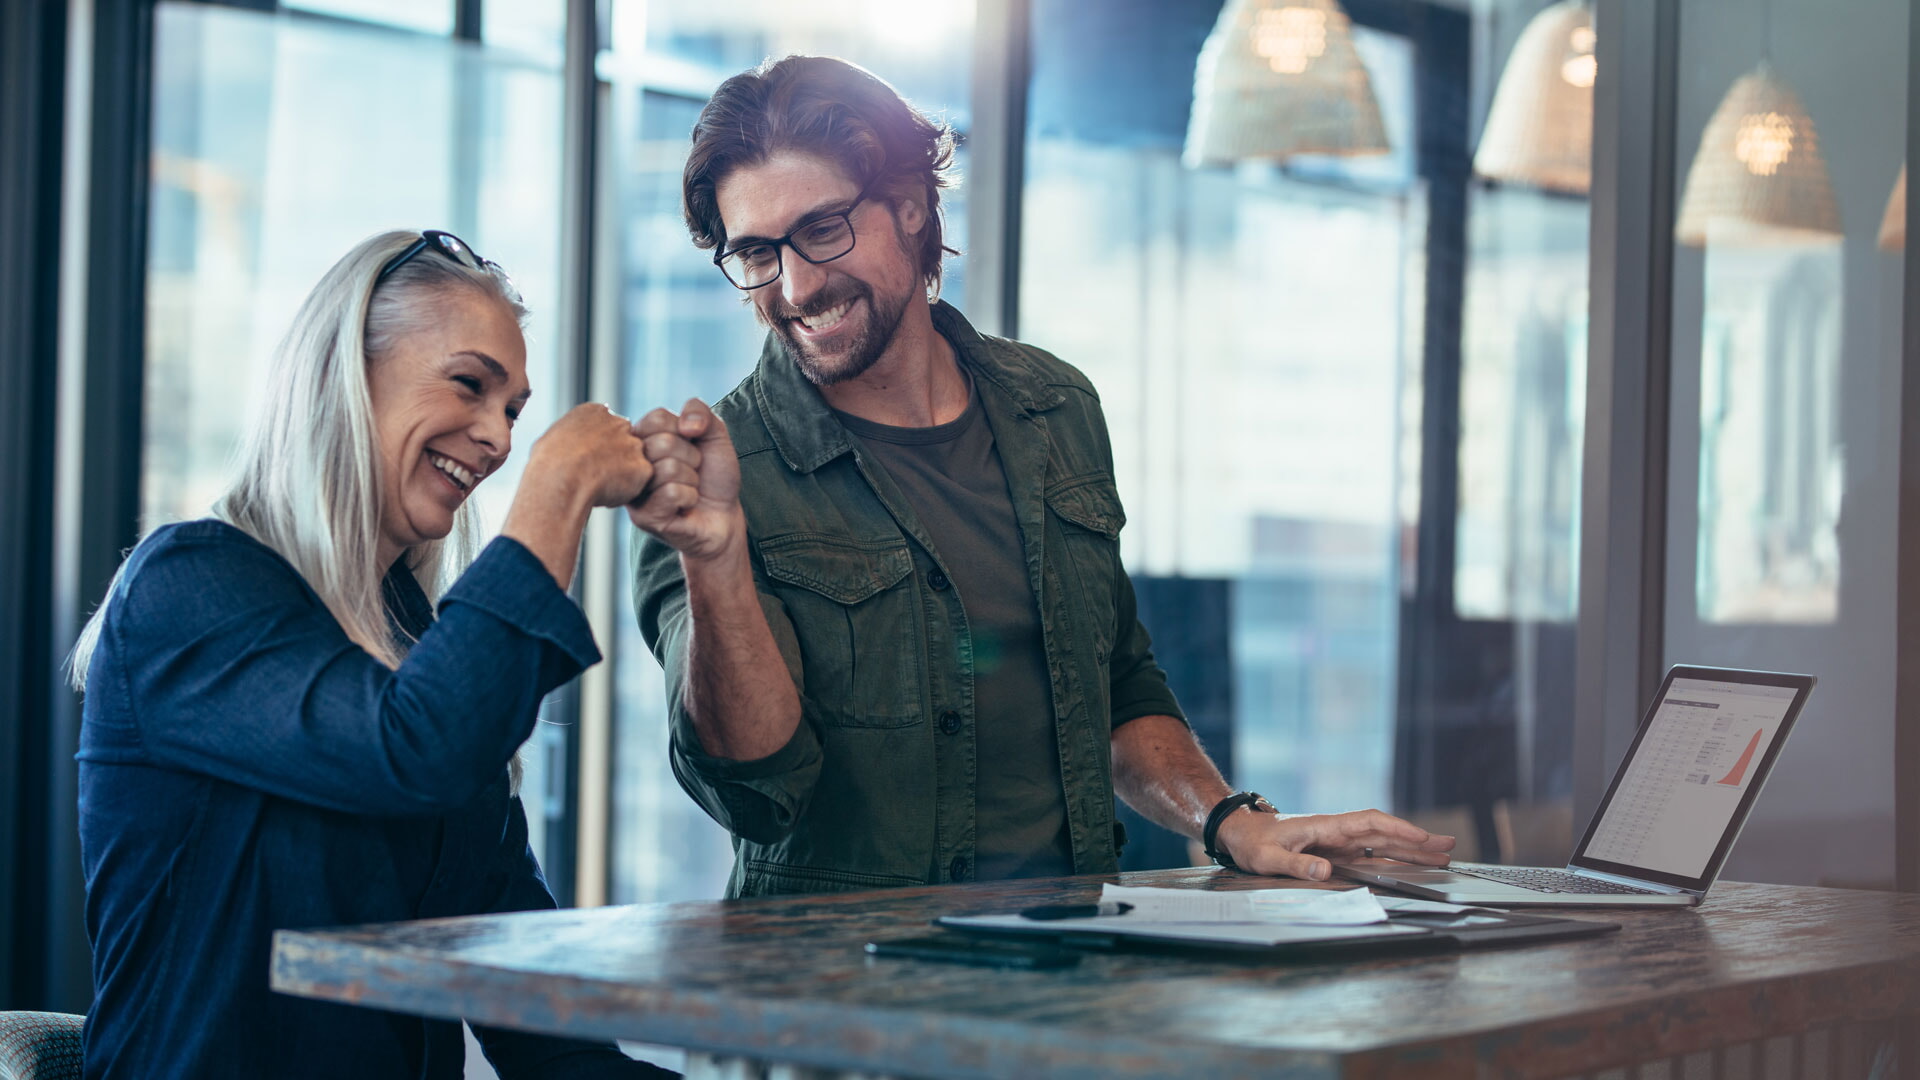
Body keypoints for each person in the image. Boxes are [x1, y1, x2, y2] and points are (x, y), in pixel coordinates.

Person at [628, 56, 1456, 899]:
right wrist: (714, 560)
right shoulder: (714, 483)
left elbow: (1115, 685)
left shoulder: (1056, 408)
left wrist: (1227, 820)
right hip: (838, 973)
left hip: (1071, 952)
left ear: (909, 205)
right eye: (757, 253)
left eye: (823, 229)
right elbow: (750, 790)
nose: (797, 285)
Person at [69, 230, 675, 1079]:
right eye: (469, 384)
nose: (499, 438)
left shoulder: (425, 650)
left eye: (513, 412)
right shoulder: (188, 586)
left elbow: (527, 996)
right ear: (345, 373)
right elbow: (413, 749)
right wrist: (558, 486)